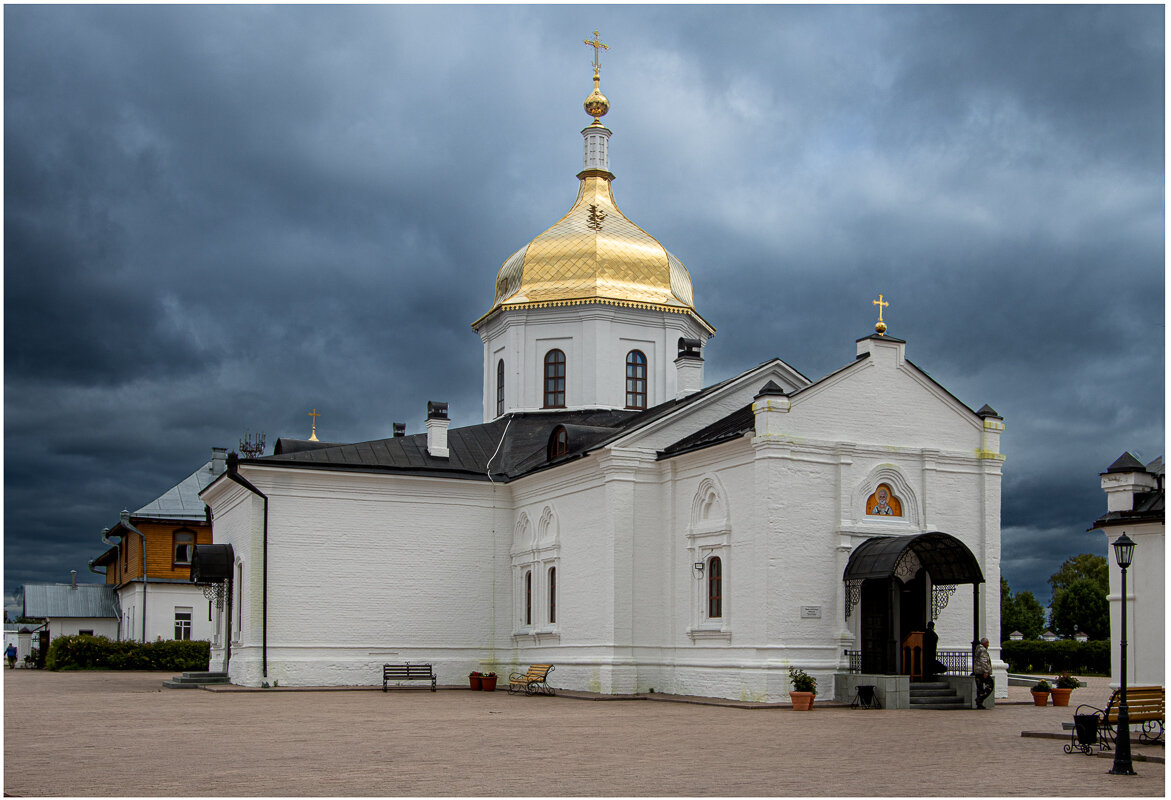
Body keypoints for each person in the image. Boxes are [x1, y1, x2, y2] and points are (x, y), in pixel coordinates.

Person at [973, 636, 993, 708]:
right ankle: (979, 699)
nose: (988, 645)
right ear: (984, 643)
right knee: (990, 685)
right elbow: (984, 661)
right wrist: (986, 672)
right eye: (987, 643)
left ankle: (979, 704)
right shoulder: (983, 650)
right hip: (982, 672)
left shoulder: (978, 649)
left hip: (977, 671)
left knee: (980, 688)